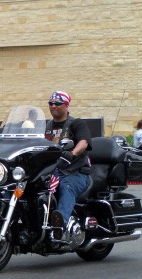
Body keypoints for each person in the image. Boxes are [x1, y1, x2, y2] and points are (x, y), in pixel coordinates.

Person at [44, 91, 92, 237]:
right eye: (50, 103)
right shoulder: (47, 125)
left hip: (75, 172)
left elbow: (84, 142)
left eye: (57, 103)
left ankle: (60, 225)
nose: (53, 106)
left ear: (66, 105)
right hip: (52, 171)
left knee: (67, 186)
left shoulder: (76, 123)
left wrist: (73, 153)